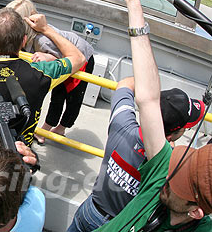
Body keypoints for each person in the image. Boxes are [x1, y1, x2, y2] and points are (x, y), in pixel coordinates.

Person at [93, 0, 212, 232]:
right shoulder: (164, 171)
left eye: (179, 182)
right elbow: (146, 98)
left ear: (197, 212)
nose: (170, 177)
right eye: (181, 165)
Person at [67, 76, 205, 232]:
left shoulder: (123, 122)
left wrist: (151, 96)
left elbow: (126, 83)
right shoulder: (170, 164)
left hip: (90, 210)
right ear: (173, 134)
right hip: (120, 226)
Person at [0, 7, 85, 146]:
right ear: (24, 41)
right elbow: (79, 57)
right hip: (19, 152)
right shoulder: (41, 72)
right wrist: (46, 29)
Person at [6, 0, 95, 144]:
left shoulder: (43, 41)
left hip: (82, 57)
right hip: (61, 57)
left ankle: (62, 127)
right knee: (57, 95)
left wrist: (47, 56)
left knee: (73, 98)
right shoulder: (28, 37)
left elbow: (67, 57)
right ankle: (47, 127)